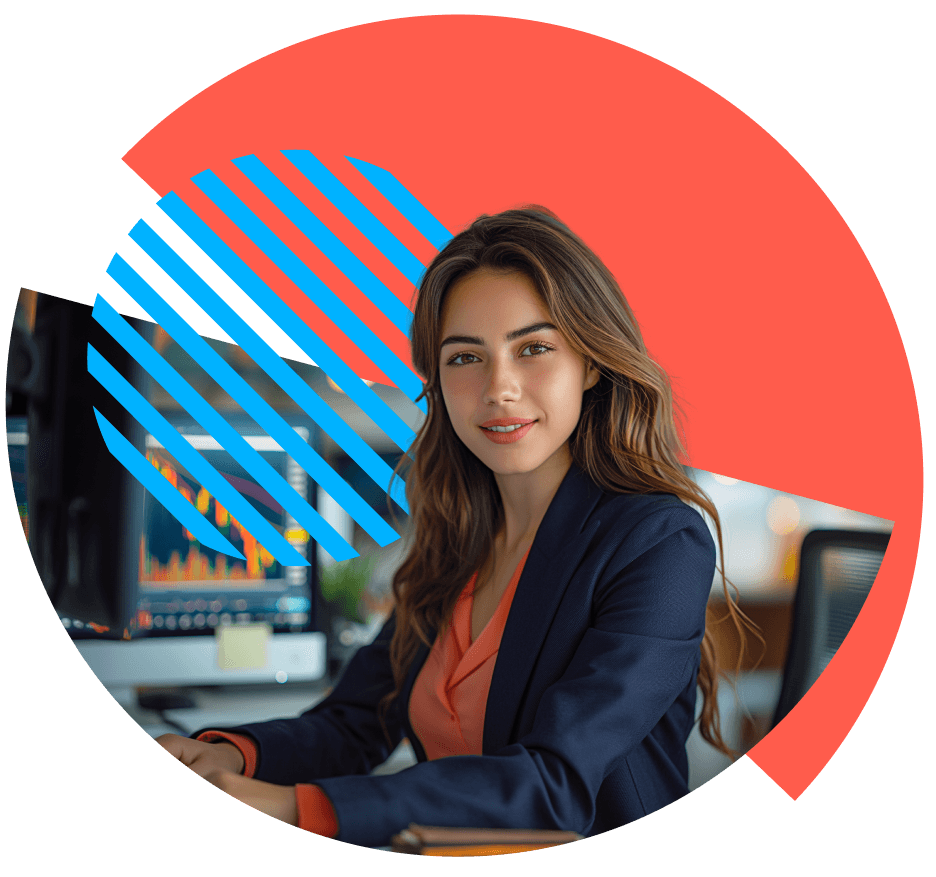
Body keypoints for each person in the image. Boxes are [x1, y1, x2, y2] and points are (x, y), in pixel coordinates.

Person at [157, 207, 752, 848]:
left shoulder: (657, 543)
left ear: (591, 363)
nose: (499, 388)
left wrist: (297, 807)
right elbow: (357, 722)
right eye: (466, 357)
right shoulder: (460, 537)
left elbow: (554, 784)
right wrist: (231, 755)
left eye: (534, 349)